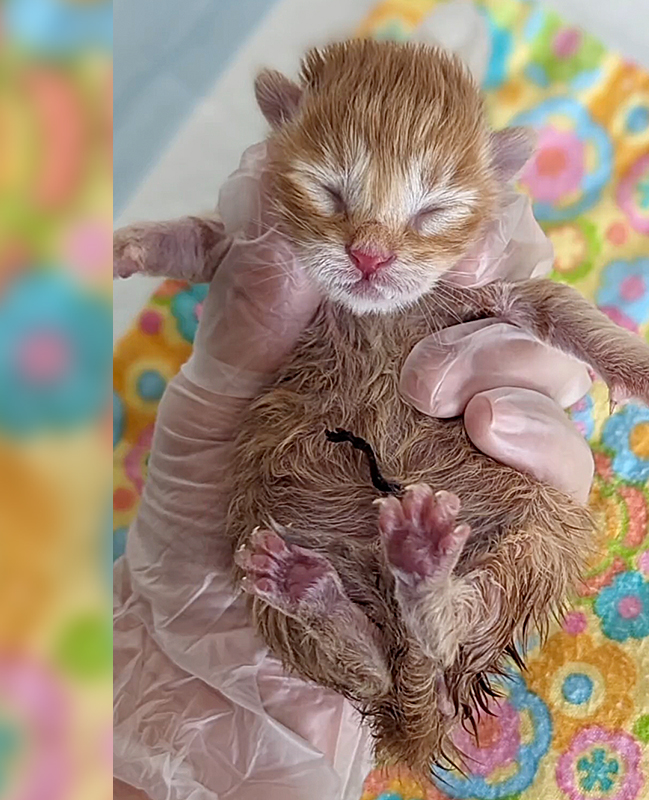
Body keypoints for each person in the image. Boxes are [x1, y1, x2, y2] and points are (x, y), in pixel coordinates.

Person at [112, 141, 595, 799]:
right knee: (394, 664)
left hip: (368, 548)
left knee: (522, 553)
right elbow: (218, 247)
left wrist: (628, 365)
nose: (372, 245)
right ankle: (423, 604)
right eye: (337, 196)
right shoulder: (293, 235)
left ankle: (422, 606)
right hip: (341, 542)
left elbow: (550, 316)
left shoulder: (473, 258)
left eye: (428, 210)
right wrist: (157, 247)